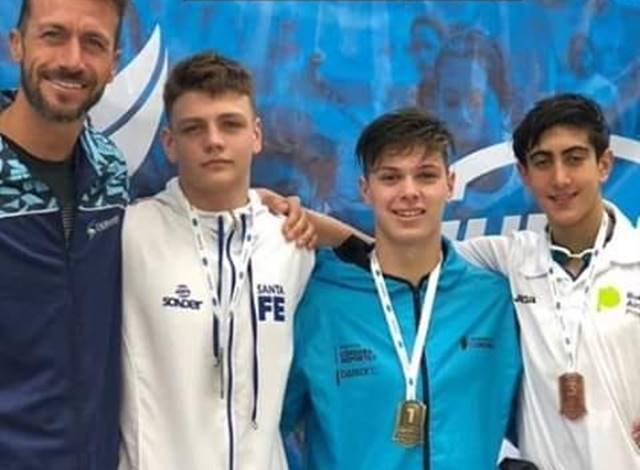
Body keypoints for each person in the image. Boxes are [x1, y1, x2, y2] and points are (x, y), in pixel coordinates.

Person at [281, 108, 522, 469]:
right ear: (366, 189)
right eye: (390, 177)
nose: (409, 192)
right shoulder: (320, 303)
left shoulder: (494, 301)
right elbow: (261, 427)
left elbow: (545, 415)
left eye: (426, 176)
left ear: (450, 183)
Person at [118, 52, 316, 470]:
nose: (214, 141)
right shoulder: (127, 235)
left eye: (230, 124)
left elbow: (387, 256)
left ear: (256, 135)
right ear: (169, 143)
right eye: (194, 128)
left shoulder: (293, 242)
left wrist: (309, 219)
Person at [455, 93, 640, 469]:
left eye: (574, 158)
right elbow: (396, 256)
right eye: (542, 162)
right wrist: (324, 232)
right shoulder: (509, 258)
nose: (560, 178)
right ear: (524, 174)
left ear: (604, 164)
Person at [0, 0, 128, 468]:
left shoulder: (111, 169)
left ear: (113, 64)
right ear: (17, 45)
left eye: (93, 43)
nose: (72, 60)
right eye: (53, 35)